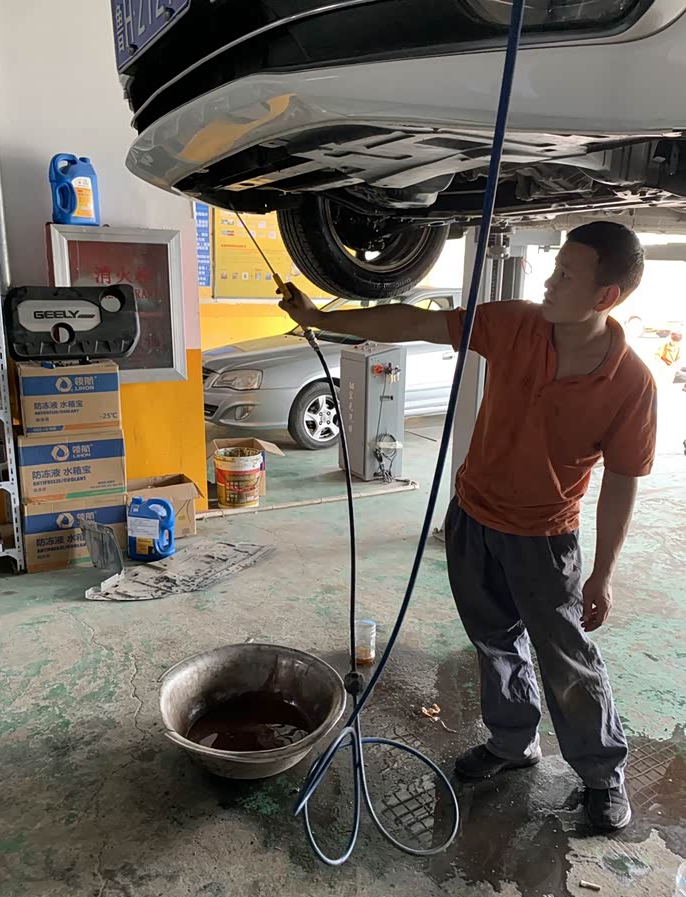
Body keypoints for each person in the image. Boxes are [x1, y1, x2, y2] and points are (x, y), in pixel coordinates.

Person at [280, 221, 657, 832]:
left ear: (605, 296)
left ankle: (601, 776)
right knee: (493, 640)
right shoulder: (516, 325)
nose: (550, 282)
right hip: (472, 519)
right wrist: (320, 318)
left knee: (567, 660)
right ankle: (513, 742)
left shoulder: (631, 383)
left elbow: (622, 481)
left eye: (566, 275)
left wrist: (604, 573)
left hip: (543, 540)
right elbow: (414, 322)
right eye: (554, 267)